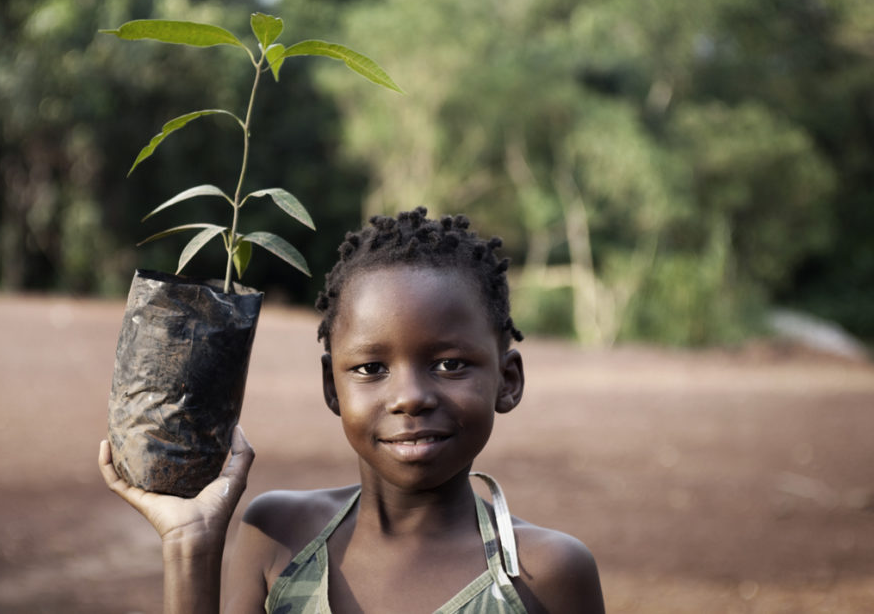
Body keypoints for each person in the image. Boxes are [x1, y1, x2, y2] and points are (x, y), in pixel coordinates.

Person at [99, 207, 606, 613]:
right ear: (331, 386)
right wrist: (192, 545)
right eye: (370, 369)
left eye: (450, 364)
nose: (410, 396)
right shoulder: (278, 537)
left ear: (508, 381)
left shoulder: (546, 575)